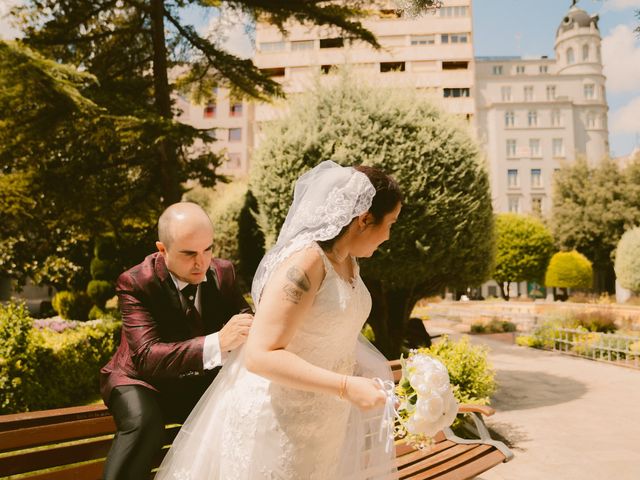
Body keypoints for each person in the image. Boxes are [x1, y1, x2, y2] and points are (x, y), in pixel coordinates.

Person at [155, 160, 403, 479]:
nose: (388, 236)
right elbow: (260, 355)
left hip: (324, 420)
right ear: (365, 219)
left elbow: (331, 335)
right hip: (279, 422)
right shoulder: (305, 263)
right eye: (390, 223)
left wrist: (375, 382)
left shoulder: (349, 262)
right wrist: (345, 386)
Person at [100, 202, 253, 480]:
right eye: (189, 253)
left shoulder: (224, 273)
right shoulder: (135, 282)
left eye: (208, 249)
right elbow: (147, 355)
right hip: (140, 380)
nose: (202, 262)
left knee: (240, 416)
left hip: (194, 380)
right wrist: (217, 342)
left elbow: (245, 319)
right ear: (162, 249)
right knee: (145, 425)